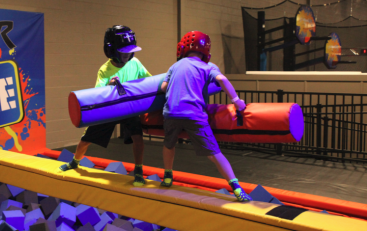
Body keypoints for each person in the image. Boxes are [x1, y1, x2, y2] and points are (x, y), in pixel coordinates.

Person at [160, 31, 252, 202]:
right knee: (213, 153)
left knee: (169, 144)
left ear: (183, 48)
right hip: (194, 114)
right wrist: (237, 101)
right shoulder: (207, 67)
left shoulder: (174, 66)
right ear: (205, 51)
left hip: (171, 112)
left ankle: (167, 176)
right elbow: (222, 80)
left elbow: (164, 87)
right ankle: (237, 188)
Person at [59, 25, 152, 187]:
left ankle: (138, 171)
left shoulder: (135, 63)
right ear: (113, 50)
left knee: (138, 138)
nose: (127, 55)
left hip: (129, 107)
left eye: (130, 51)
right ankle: (75, 161)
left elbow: (149, 79)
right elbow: (98, 93)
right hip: (110, 109)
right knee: (86, 139)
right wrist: (108, 86)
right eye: (124, 51)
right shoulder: (104, 69)